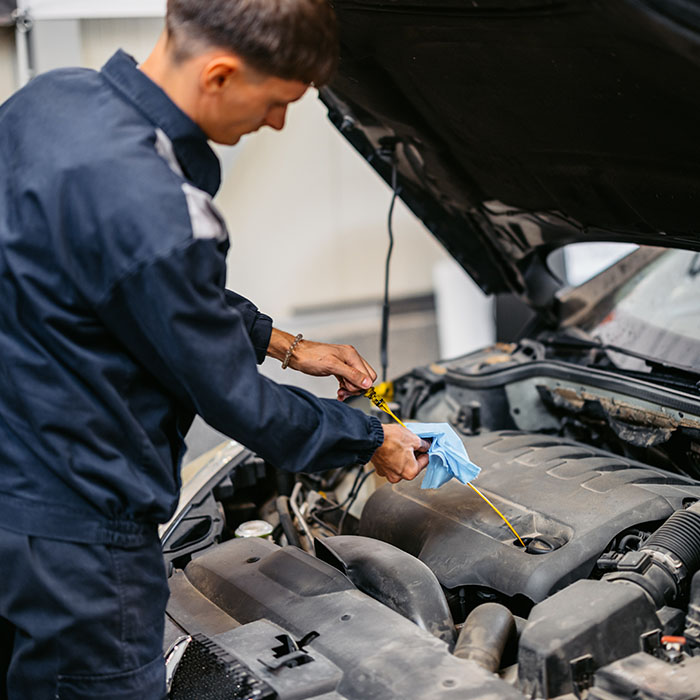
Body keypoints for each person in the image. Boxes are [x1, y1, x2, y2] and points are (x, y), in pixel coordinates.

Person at [0, 1, 430, 697]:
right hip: (75, 527)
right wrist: (369, 435)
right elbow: (237, 401)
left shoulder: (49, 103)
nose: (277, 123)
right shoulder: (157, 206)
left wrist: (285, 344)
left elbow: (124, 285)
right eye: (279, 102)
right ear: (222, 74)